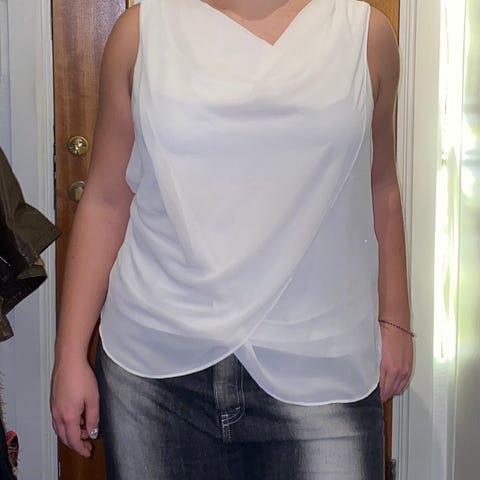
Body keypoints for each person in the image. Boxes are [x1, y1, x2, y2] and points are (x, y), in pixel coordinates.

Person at [50, 0, 414, 478]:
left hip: (320, 362)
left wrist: (396, 321)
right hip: (157, 368)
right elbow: (106, 199)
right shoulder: (141, 34)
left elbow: (381, 186)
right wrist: (69, 353)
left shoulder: (364, 35)